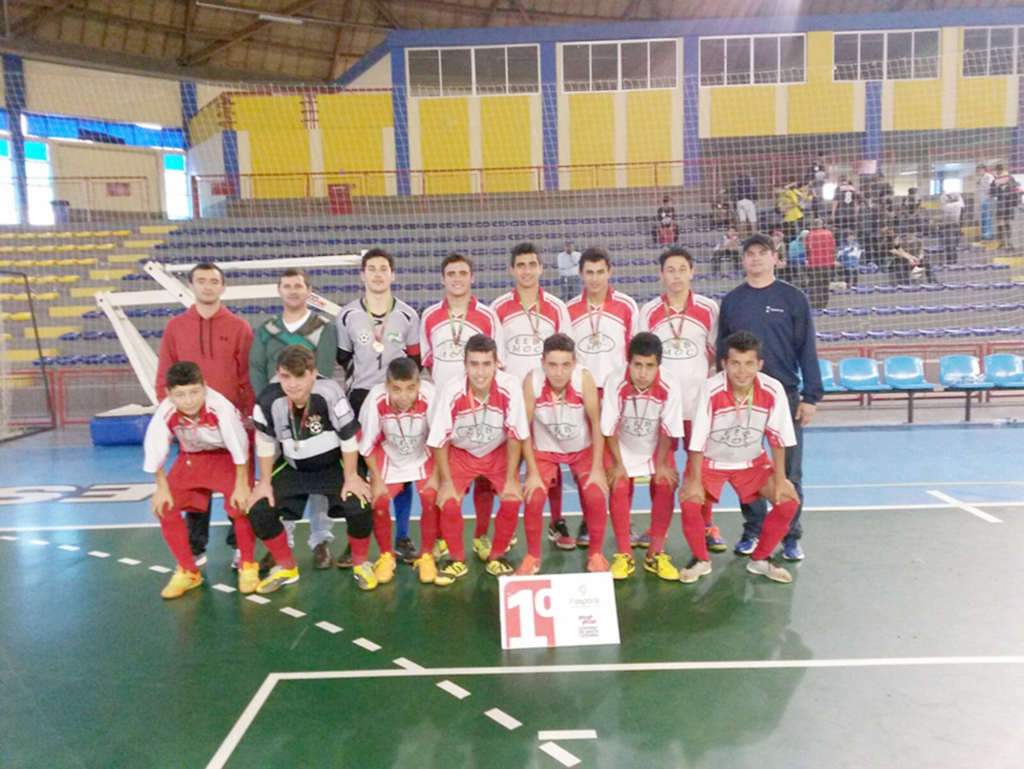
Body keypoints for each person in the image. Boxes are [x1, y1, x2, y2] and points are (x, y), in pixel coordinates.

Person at [717, 233, 823, 561]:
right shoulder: (733, 301)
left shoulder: (793, 299)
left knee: (789, 472)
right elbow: (723, 352)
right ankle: (753, 530)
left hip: (785, 399)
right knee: (747, 468)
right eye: (750, 254)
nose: (756, 259)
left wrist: (811, 396)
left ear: (775, 258)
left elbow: (807, 348)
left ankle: (790, 535)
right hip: (741, 399)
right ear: (744, 260)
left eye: (763, 253)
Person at [247, 346, 374, 594]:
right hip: (294, 466)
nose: (293, 385)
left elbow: (348, 438)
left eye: (300, 376)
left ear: (313, 374)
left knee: (360, 503)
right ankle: (286, 567)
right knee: (259, 507)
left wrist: (351, 476)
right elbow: (264, 442)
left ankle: (361, 564)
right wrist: (263, 482)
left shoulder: (329, 392)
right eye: (286, 377)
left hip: (332, 465)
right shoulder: (267, 399)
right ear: (278, 375)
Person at [678, 331, 801, 585]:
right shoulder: (710, 389)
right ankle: (701, 560)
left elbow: (779, 439)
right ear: (724, 364)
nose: (742, 371)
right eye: (735, 363)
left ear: (759, 365)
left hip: (751, 464)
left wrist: (781, 479)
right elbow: (698, 439)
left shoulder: (772, 389)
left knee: (788, 501)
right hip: (711, 463)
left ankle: (760, 560)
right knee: (690, 501)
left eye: (748, 364)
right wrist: (694, 479)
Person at [155, 262, 254, 569]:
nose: (208, 286)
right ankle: (195, 548)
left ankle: (240, 549)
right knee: (195, 489)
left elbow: (247, 376)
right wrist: (171, 415)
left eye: (214, 281)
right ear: (192, 286)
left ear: (223, 287)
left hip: (232, 427)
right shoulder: (176, 327)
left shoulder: (239, 327)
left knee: (237, 487)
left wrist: (248, 417)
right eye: (201, 281)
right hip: (191, 429)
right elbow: (164, 377)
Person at [336, 248, 421, 565]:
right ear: (362, 274)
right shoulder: (346, 315)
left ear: (393, 274)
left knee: (404, 465)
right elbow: (343, 359)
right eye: (371, 269)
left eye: (383, 268)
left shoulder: (409, 315)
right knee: (357, 472)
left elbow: (413, 360)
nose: (377, 274)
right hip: (360, 396)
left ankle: (402, 538)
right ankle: (355, 540)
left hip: (396, 397)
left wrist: (398, 389)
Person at [143, 362, 256, 599]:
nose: (188, 400)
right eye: (180, 395)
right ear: (169, 394)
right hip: (191, 457)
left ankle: (247, 564)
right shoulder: (166, 411)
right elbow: (155, 451)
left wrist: (241, 485)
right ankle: (188, 570)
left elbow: (240, 449)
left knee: (240, 505)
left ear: (204, 387)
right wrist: (162, 489)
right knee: (164, 507)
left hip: (228, 457)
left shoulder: (220, 408)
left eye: (195, 392)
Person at [250, 267, 338, 570]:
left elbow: (322, 371)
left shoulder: (324, 327)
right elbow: (257, 370)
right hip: (277, 418)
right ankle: (281, 542)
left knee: (318, 480)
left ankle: (321, 541)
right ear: (279, 290)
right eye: (286, 285)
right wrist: (271, 409)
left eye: (298, 285)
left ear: (308, 290)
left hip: (313, 417)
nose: (292, 290)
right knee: (276, 479)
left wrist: (306, 407)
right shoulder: (266, 330)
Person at [638, 246, 724, 552]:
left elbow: (714, 356)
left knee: (702, 469)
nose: (676, 276)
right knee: (663, 471)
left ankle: (708, 524)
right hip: (663, 411)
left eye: (682, 269)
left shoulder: (710, 309)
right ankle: (655, 528)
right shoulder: (647, 311)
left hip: (699, 407)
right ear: (661, 274)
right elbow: (642, 359)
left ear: (692, 272)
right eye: (670, 270)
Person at [427, 334, 530, 585]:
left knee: (512, 497)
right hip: (461, 454)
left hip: (498, 451)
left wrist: (511, 479)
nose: (480, 372)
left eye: (486, 364)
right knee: (448, 501)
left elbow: (516, 434)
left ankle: (497, 555)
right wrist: (447, 482)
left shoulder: (510, 386)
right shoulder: (452, 390)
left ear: (497, 364)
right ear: (465, 365)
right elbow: (440, 440)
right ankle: (457, 560)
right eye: (474, 364)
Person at [420, 252, 504, 560]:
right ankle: (442, 537)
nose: (457, 278)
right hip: (446, 411)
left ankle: (481, 536)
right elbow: (427, 363)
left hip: (481, 410)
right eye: (451, 273)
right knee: (446, 479)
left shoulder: (488, 316)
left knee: (483, 478)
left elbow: (499, 363)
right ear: (442, 279)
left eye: (462, 273)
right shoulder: (429, 316)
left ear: (472, 277)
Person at [491, 242, 574, 549]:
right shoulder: (498, 308)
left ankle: (556, 520)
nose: (527, 270)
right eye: (521, 265)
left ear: (541, 268)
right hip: (511, 401)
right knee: (504, 465)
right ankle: (507, 524)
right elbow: (495, 358)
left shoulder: (556, 307)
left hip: (549, 399)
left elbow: (566, 352)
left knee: (549, 461)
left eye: (532, 264)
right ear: (512, 270)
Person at [564, 247, 640, 545]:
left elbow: (636, 354)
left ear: (610, 271)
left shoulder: (627, 306)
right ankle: (588, 519)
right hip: (583, 396)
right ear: (580, 274)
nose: (595, 278)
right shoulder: (569, 310)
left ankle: (627, 518)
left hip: (619, 395)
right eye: (589, 272)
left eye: (600, 272)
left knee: (625, 460)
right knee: (586, 462)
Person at [520, 334, 610, 574]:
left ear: (574, 363)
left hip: (581, 449)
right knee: (534, 496)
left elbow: (597, 423)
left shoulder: (584, 379)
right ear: (542, 363)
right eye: (552, 365)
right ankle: (532, 556)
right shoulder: (532, 381)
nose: (559, 372)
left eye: (565, 365)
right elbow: (523, 429)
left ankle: (596, 554)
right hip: (545, 450)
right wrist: (531, 471)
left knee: (595, 494)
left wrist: (597, 468)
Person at [601, 332, 686, 582]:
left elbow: (668, 429)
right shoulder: (614, 381)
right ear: (628, 362)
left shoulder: (670, 384)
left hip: (655, 447)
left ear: (659, 365)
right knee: (618, 484)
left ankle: (655, 554)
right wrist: (617, 464)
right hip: (622, 447)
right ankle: (624, 554)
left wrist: (660, 464)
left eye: (650, 366)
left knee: (665, 483)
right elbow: (610, 427)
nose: (642, 373)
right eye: (637, 365)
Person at [358, 357, 442, 585]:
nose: (403, 396)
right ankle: (386, 556)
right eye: (396, 389)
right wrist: (375, 479)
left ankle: (426, 556)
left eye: (410, 389)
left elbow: (438, 438)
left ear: (419, 385)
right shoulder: (375, 399)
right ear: (386, 386)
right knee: (380, 501)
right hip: (388, 457)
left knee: (431, 497)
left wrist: (436, 477)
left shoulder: (430, 395)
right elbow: (367, 445)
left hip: (422, 454)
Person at [804, 218, 837, 310]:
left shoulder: (810, 235)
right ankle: (824, 304)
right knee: (825, 284)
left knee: (815, 284)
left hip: (814, 263)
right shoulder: (829, 233)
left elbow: (808, 248)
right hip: (827, 262)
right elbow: (833, 247)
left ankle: (816, 304)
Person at [990, 165, 1019, 251]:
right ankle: (1005, 243)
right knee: (1003, 223)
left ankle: (1006, 243)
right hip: (1005, 204)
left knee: (1003, 223)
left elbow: (992, 193)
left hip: (1004, 204)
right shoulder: (1007, 179)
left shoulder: (997, 181)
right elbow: (993, 192)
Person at [939, 190, 964, 265]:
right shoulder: (958, 205)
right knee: (951, 245)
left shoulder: (950, 206)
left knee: (950, 245)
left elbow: (945, 217)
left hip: (949, 226)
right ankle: (953, 262)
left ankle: (951, 262)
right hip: (954, 226)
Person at [731, 172, 759, 238]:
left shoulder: (736, 183)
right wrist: (756, 201)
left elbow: (733, 194)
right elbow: (754, 192)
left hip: (740, 201)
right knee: (752, 221)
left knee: (742, 221)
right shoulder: (751, 182)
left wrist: (735, 206)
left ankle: (741, 237)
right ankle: (755, 237)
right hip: (749, 200)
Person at [975, 163, 994, 240]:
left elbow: (991, 187)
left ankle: (988, 235)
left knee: (987, 218)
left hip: (988, 199)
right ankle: (984, 234)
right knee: (983, 218)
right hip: (982, 200)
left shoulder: (988, 177)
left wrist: (990, 197)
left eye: (979, 170)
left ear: (983, 169)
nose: (978, 171)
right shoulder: (981, 178)